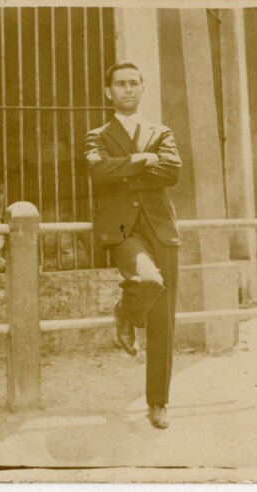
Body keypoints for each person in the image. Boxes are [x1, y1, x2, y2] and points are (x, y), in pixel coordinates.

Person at [84, 62, 181, 429]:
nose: (127, 89)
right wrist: (143, 160)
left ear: (142, 88)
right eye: (120, 84)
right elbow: (98, 171)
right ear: (108, 91)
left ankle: (158, 402)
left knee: (163, 321)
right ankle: (126, 311)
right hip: (123, 231)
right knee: (148, 282)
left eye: (133, 83)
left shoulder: (161, 131)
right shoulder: (97, 135)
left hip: (161, 230)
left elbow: (172, 171)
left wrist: (122, 171)